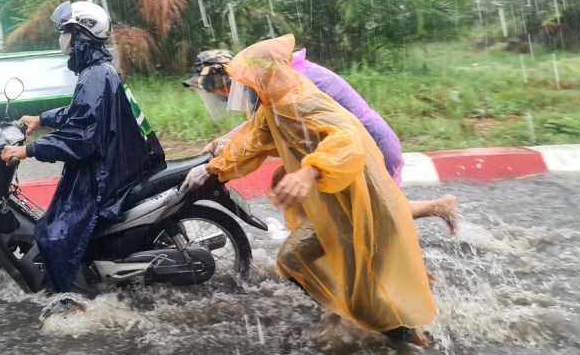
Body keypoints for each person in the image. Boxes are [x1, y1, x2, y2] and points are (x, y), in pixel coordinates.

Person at [180, 35, 437, 346]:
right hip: (330, 201)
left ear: (263, 76)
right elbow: (251, 144)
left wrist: (311, 170)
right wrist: (212, 169)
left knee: (363, 285)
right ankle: (366, 314)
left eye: (244, 80)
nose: (239, 89)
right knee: (293, 262)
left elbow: (347, 137)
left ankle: (408, 333)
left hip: (356, 194)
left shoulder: (300, 99)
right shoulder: (272, 106)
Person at [183, 48, 458, 232]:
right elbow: (260, 124)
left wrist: (214, 165)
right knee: (371, 216)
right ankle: (439, 208)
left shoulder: (288, 82)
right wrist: (228, 139)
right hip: (348, 146)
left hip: (363, 146)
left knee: (370, 225)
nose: (219, 95)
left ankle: (414, 287)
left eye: (217, 88)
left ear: (224, 82)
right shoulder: (267, 78)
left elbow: (261, 134)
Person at [1, 1, 165, 297]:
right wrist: (42, 118)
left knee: (54, 233)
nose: (62, 38)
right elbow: (81, 113)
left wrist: (28, 150)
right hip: (123, 161)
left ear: (80, 36)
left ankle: (72, 300)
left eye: (66, 32)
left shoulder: (95, 75)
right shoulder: (99, 71)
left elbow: (80, 138)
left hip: (108, 171)